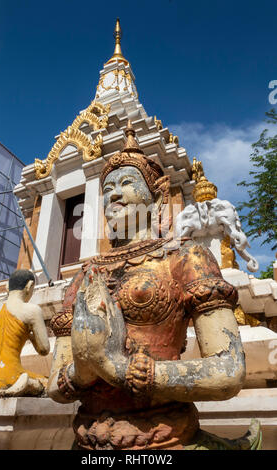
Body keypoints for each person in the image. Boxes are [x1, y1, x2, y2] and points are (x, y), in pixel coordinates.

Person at [48, 122, 261, 450]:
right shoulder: (84, 277)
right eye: (106, 188)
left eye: (126, 183)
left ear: (158, 195)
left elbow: (229, 370)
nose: (113, 194)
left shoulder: (186, 257)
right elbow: (54, 384)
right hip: (87, 442)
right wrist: (81, 373)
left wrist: (130, 372)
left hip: (168, 440)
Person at [0, 269, 50, 397]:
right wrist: (32, 337)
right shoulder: (31, 310)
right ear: (29, 286)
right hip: (11, 377)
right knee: (49, 384)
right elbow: (44, 349)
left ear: (7, 287)